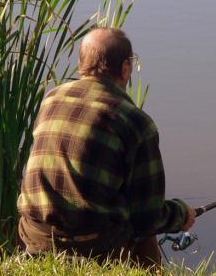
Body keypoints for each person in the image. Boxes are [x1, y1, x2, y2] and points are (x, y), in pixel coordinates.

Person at [17, 27, 196, 267]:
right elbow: (148, 216)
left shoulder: (52, 99)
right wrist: (182, 214)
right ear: (125, 68)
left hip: (34, 233)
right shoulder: (136, 122)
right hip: (91, 244)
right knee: (142, 228)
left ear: (82, 64)